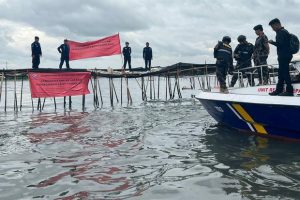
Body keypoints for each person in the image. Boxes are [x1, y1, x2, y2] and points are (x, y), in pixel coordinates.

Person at [268, 18, 294, 96]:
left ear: (277, 24)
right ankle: (279, 89)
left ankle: (289, 91)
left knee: (285, 72)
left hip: (284, 55)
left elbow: (281, 45)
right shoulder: (285, 31)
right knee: (281, 73)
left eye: (273, 27)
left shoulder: (281, 33)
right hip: (286, 55)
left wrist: (272, 42)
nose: (272, 29)